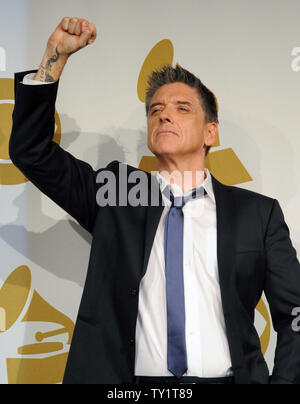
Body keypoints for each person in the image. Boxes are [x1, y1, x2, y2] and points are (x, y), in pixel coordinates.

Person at [9, 17, 300, 384]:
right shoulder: (115, 194)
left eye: (182, 108)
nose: (163, 113)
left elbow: (295, 313)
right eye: (155, 109)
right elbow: (31, 152)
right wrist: (54, 57)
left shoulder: (257, 214)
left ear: (211, 131)